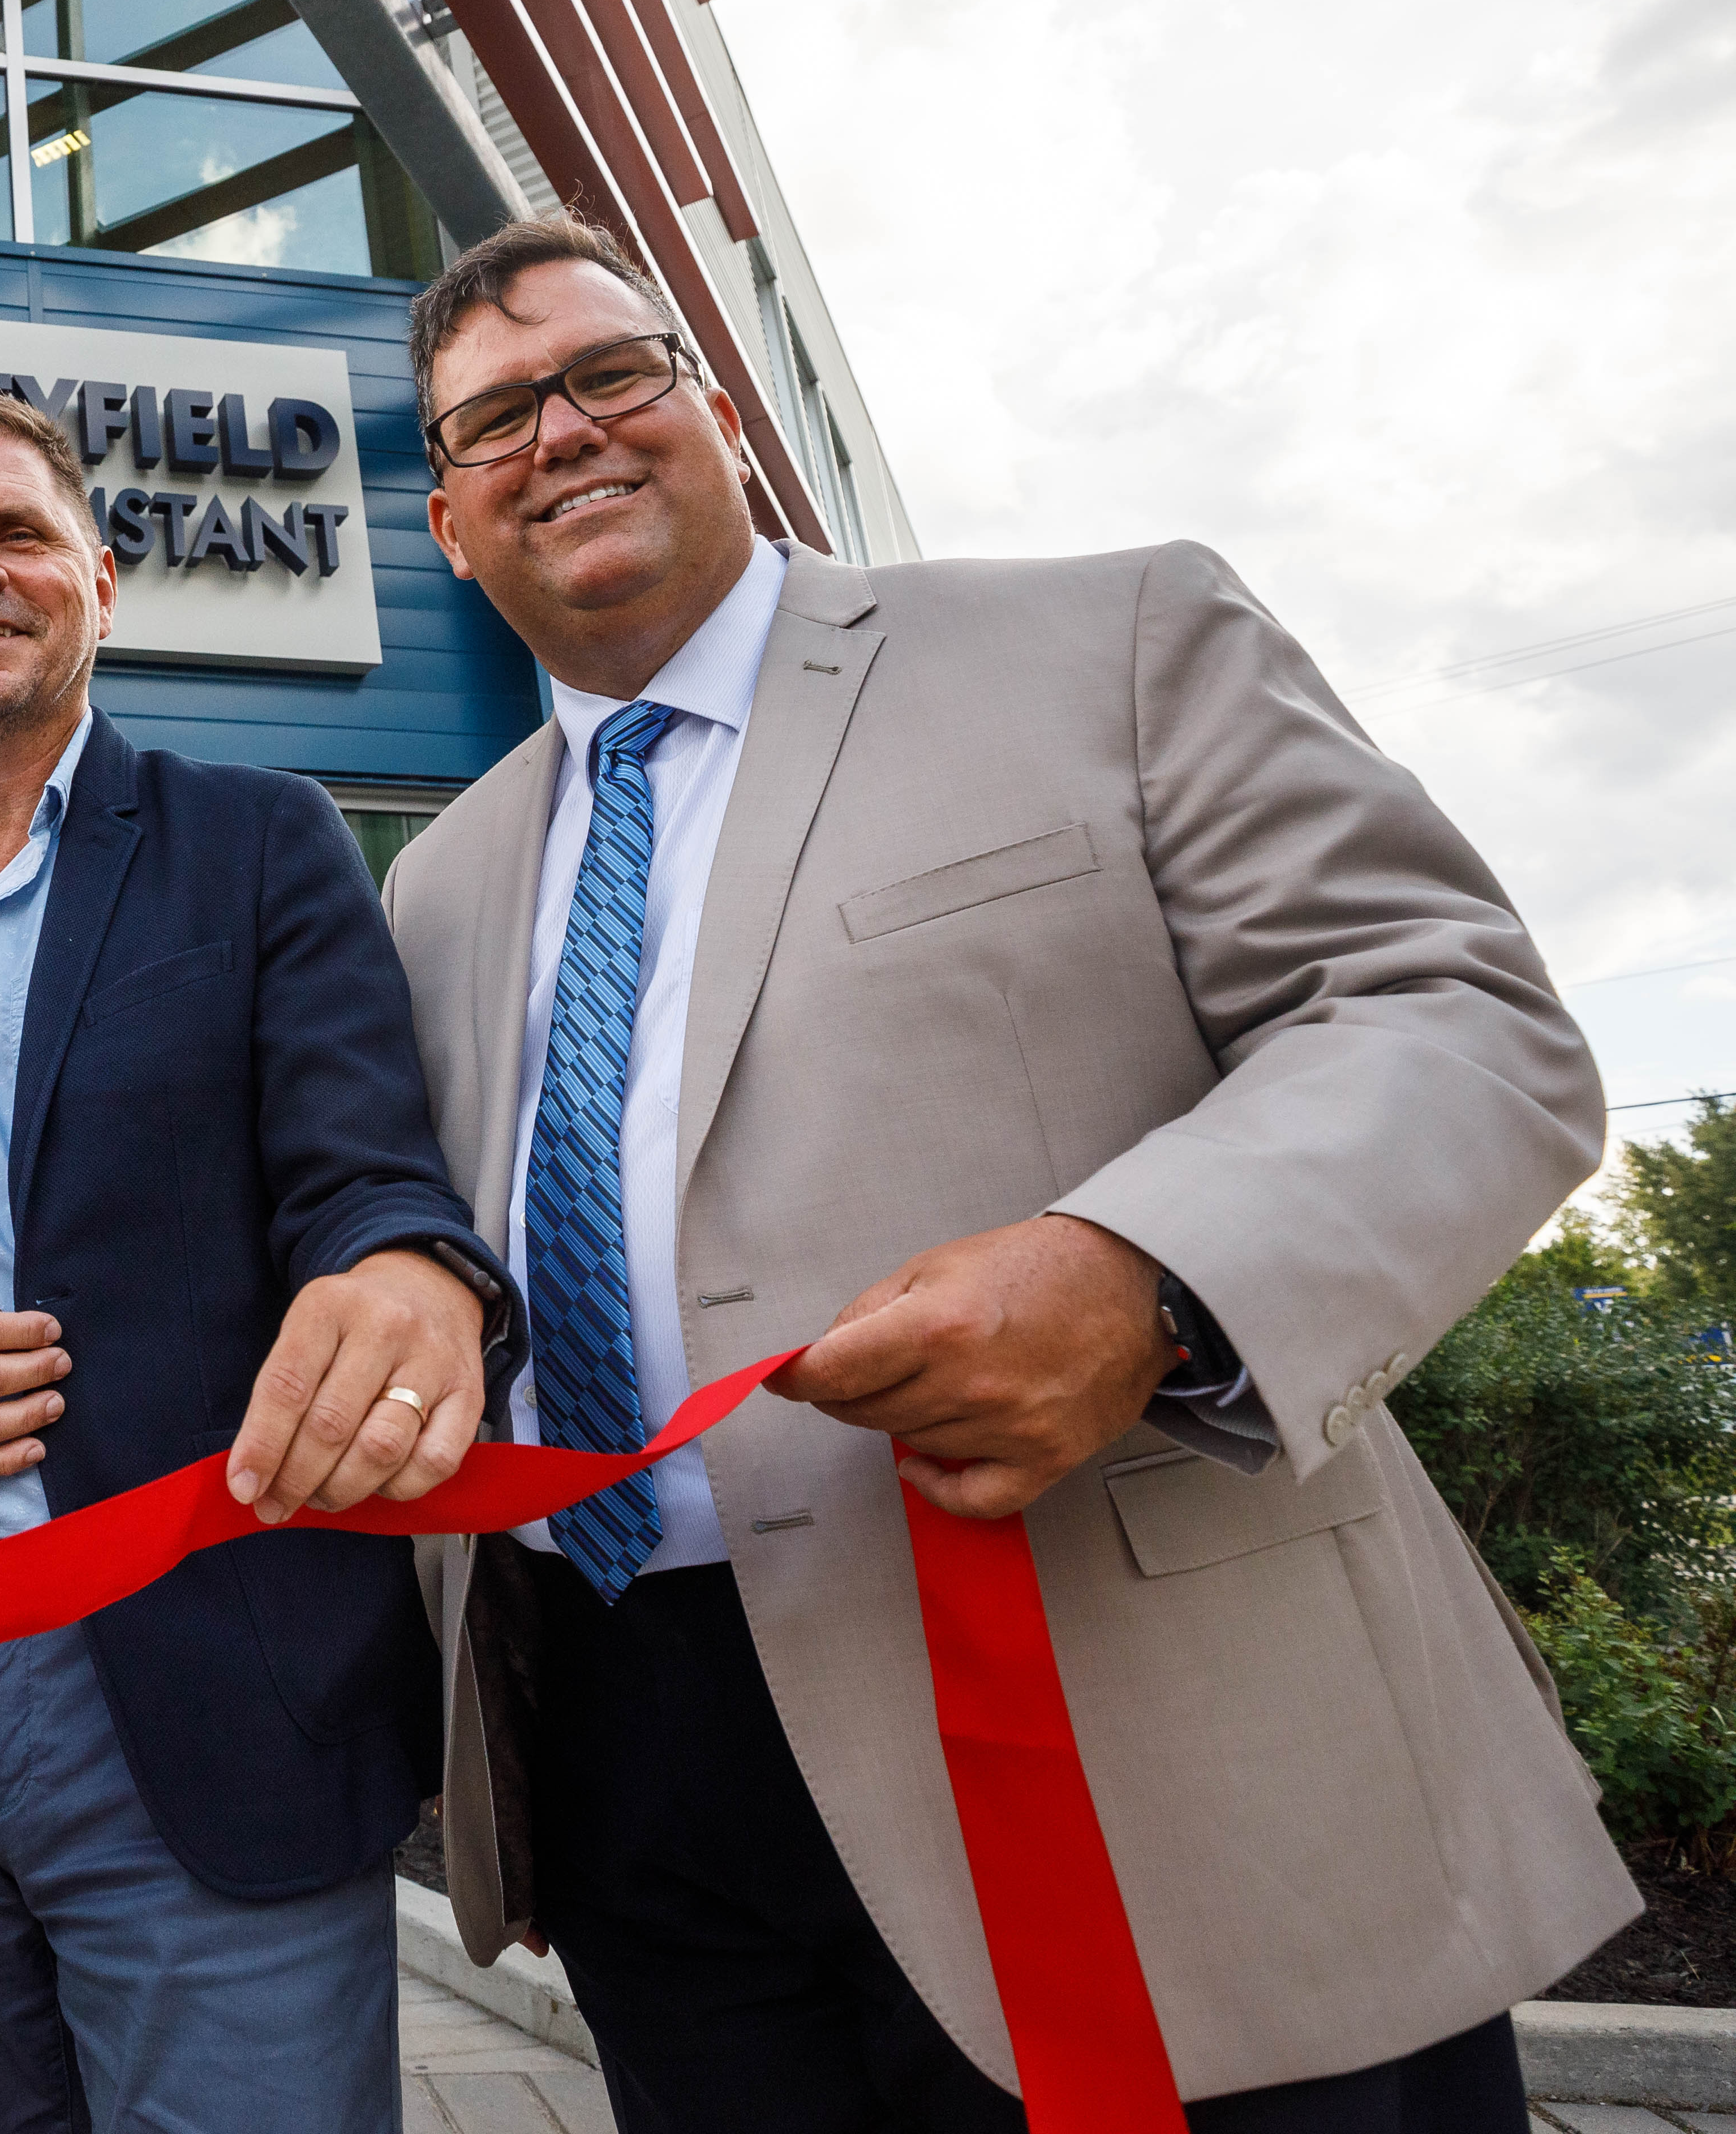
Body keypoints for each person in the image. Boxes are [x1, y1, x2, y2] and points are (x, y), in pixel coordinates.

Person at [383, 212, 1637, 2131]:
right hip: (646, 1775)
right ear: (454, 523)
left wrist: (1148, 1274)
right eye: (492, 423)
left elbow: (1455, 1015)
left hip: (1146, 1736)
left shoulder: (1108, 635)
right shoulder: (441, 879)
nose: (560, 433)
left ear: (713, 409)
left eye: (608, 374)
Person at [0, 389, 517, 2134]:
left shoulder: (263, 838)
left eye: (16, 535)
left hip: (198, 1672)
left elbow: (365, 1182)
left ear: (104, 578)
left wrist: (408, 1277)